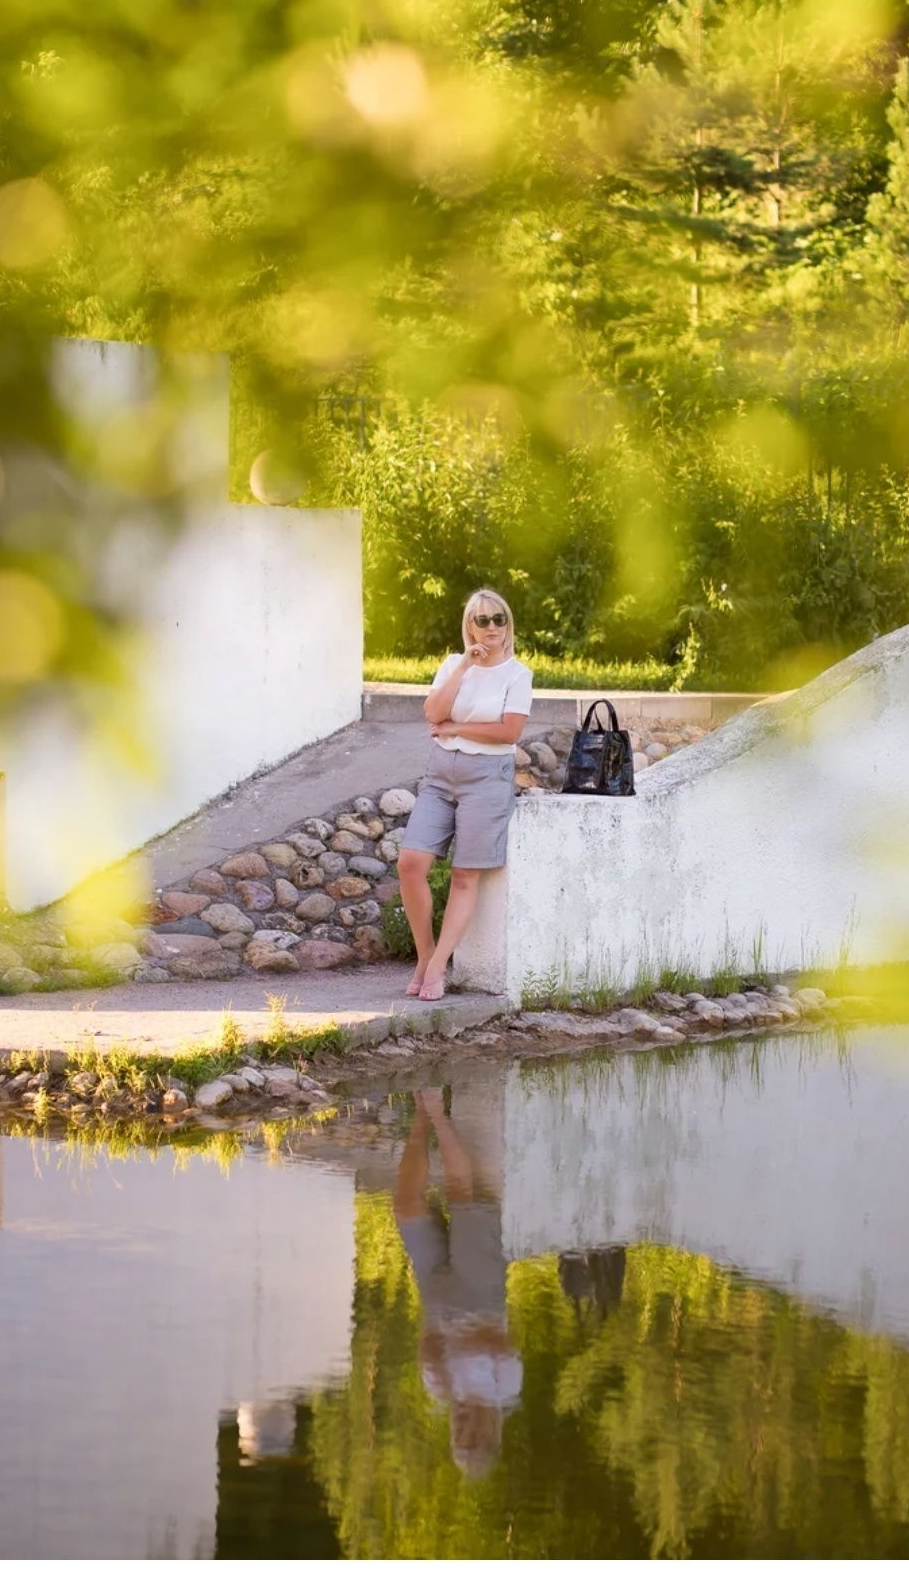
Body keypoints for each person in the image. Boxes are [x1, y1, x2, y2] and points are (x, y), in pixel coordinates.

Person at [397, 587, 533, 1000]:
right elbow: (432, 713)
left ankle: (438, 968)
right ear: (469, 625)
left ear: (508, 624)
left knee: (464, 874)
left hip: (487, 776)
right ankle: (425, 956)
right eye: (482, 620)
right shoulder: (454, 664)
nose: (491, 628)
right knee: (411, 862)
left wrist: (456, 728)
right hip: (441, 774)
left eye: (499, 619)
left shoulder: (517, 674)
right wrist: (463, 669)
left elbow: (509, 731)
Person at [393, 1088, 522, 1481]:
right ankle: (436, 1110)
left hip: (438, 1300)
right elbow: (504, 1345)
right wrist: (468, 1345)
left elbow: (427, 1346)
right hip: (478, 1294)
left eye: (458, 1436)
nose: (461, 1428)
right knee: (462, 1197)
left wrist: (438, 1354)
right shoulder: (503, 1390)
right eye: (471, 1436)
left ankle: (420, 1116)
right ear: (487, 1432)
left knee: (406, 1208)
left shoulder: (442, 1392)